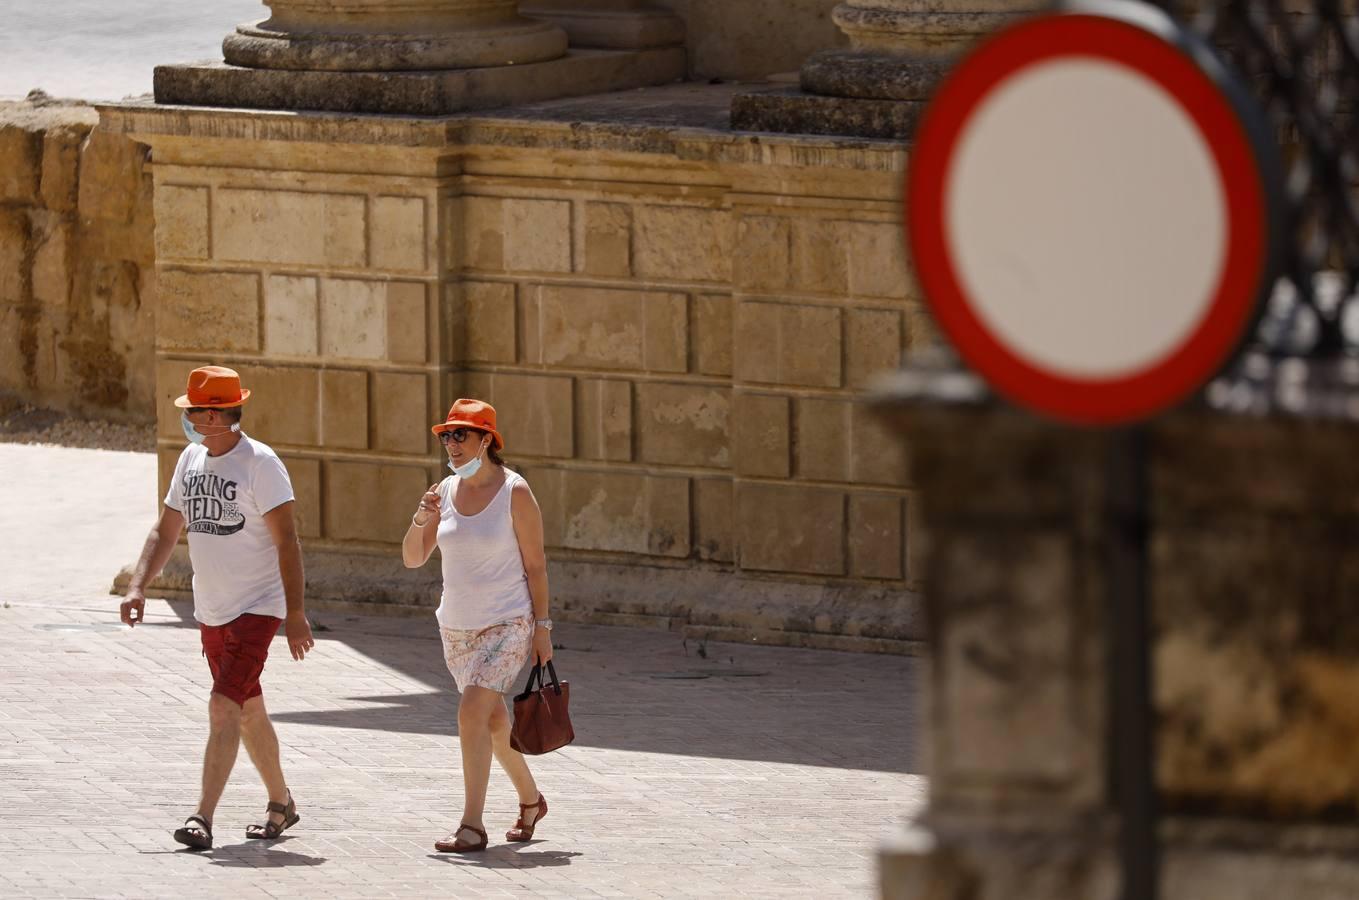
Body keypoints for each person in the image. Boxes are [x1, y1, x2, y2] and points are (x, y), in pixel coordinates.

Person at [119, 365, 315, 850]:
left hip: (257, 608)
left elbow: (287, 540)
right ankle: (281, 803)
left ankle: (201, 817)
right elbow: (165, 532)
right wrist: (138, 585)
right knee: (248, 710)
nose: (186, 420)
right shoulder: (190, 459)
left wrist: (294, 614)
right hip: (212, 610)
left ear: (214, 415)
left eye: (192, 413)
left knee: (223, 705)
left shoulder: (260, 464)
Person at [402, 398, 554, 853]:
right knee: (491, 722)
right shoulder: (444, 492)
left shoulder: (516, 492)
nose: (451, 444)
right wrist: (421, 517)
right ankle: (531, 800)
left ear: (487, 440)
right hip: (457, 628)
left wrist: (542, 628)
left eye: (461, 435)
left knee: (471, 711)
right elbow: (412, 559)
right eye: (446, 436)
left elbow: (537, 566)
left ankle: (472, 825)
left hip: (508, 622)